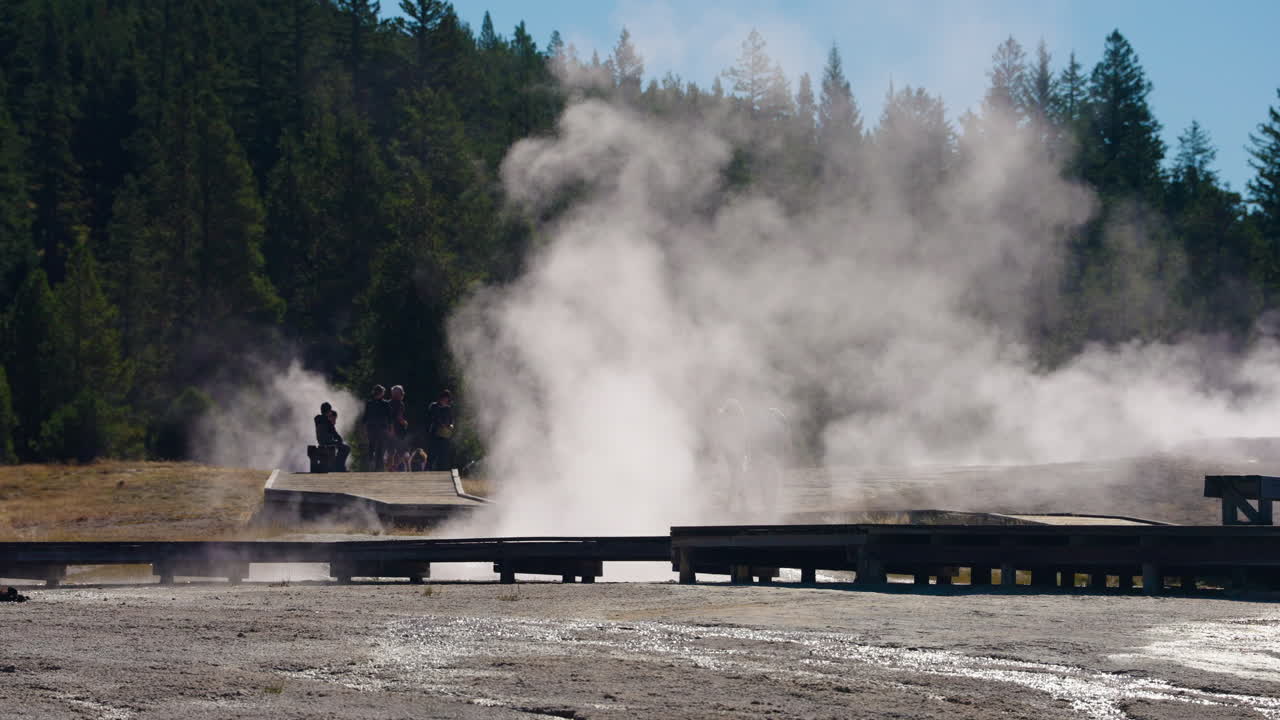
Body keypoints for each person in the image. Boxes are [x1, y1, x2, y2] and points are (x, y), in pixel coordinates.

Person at [314, 402, 350, 471]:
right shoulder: (327, 421)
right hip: (328, 442)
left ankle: (337, 465)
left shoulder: (317, 419)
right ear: (329, 411)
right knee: (346, 448)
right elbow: (335, 434)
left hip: (321, 442)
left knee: (338, 446)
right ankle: (339, 466)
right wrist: (340, 440)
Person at [363, 384, 391, 471]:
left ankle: (372, 466)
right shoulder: (385, 403)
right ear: (382, 393)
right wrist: (390, 428)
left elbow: (365, 417)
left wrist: (363, 429)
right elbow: (389, 417)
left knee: (372, 447)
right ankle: (378, 467)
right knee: (379, 448)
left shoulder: (369, 403)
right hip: (381, 429)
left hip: (372, 428)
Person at [426, 389, 456, 471]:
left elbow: (452, 420)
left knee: (443, 455)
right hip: (434, 433)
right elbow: (433, 417)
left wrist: (451, 425)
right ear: (441, 398)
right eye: (445, 398)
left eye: (448, 398)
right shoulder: (434, 406)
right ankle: (427, 471)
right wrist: (441, 424)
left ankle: (442, 472)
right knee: (432, 454)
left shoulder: (448, 408)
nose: (446, 400)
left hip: (445, 435)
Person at [388, 385, 409, 470]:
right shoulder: (400, 404)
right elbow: (398, 418)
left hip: (388, 429)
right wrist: (405, 423)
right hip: (398, 430)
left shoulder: (388, 403)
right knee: (401, 450)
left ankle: (391, 467)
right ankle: (394, 466)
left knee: (391, 450)